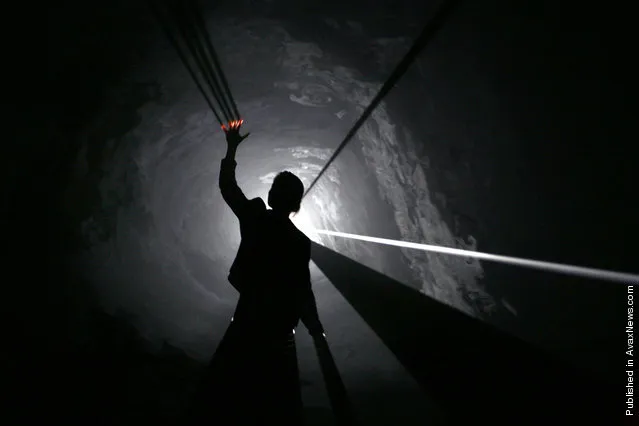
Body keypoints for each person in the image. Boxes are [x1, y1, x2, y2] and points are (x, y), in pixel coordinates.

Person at [190, 120, 324, 426]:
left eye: (278, 189)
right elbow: (303, 290)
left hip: (249, 323)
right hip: (276, 334)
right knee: (276, 407)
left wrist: (232, 147)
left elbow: (228, 189)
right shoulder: (298, 241)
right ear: (296, 205)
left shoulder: (258, 218)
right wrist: (316, 329)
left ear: (275, 196)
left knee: (220, 397)